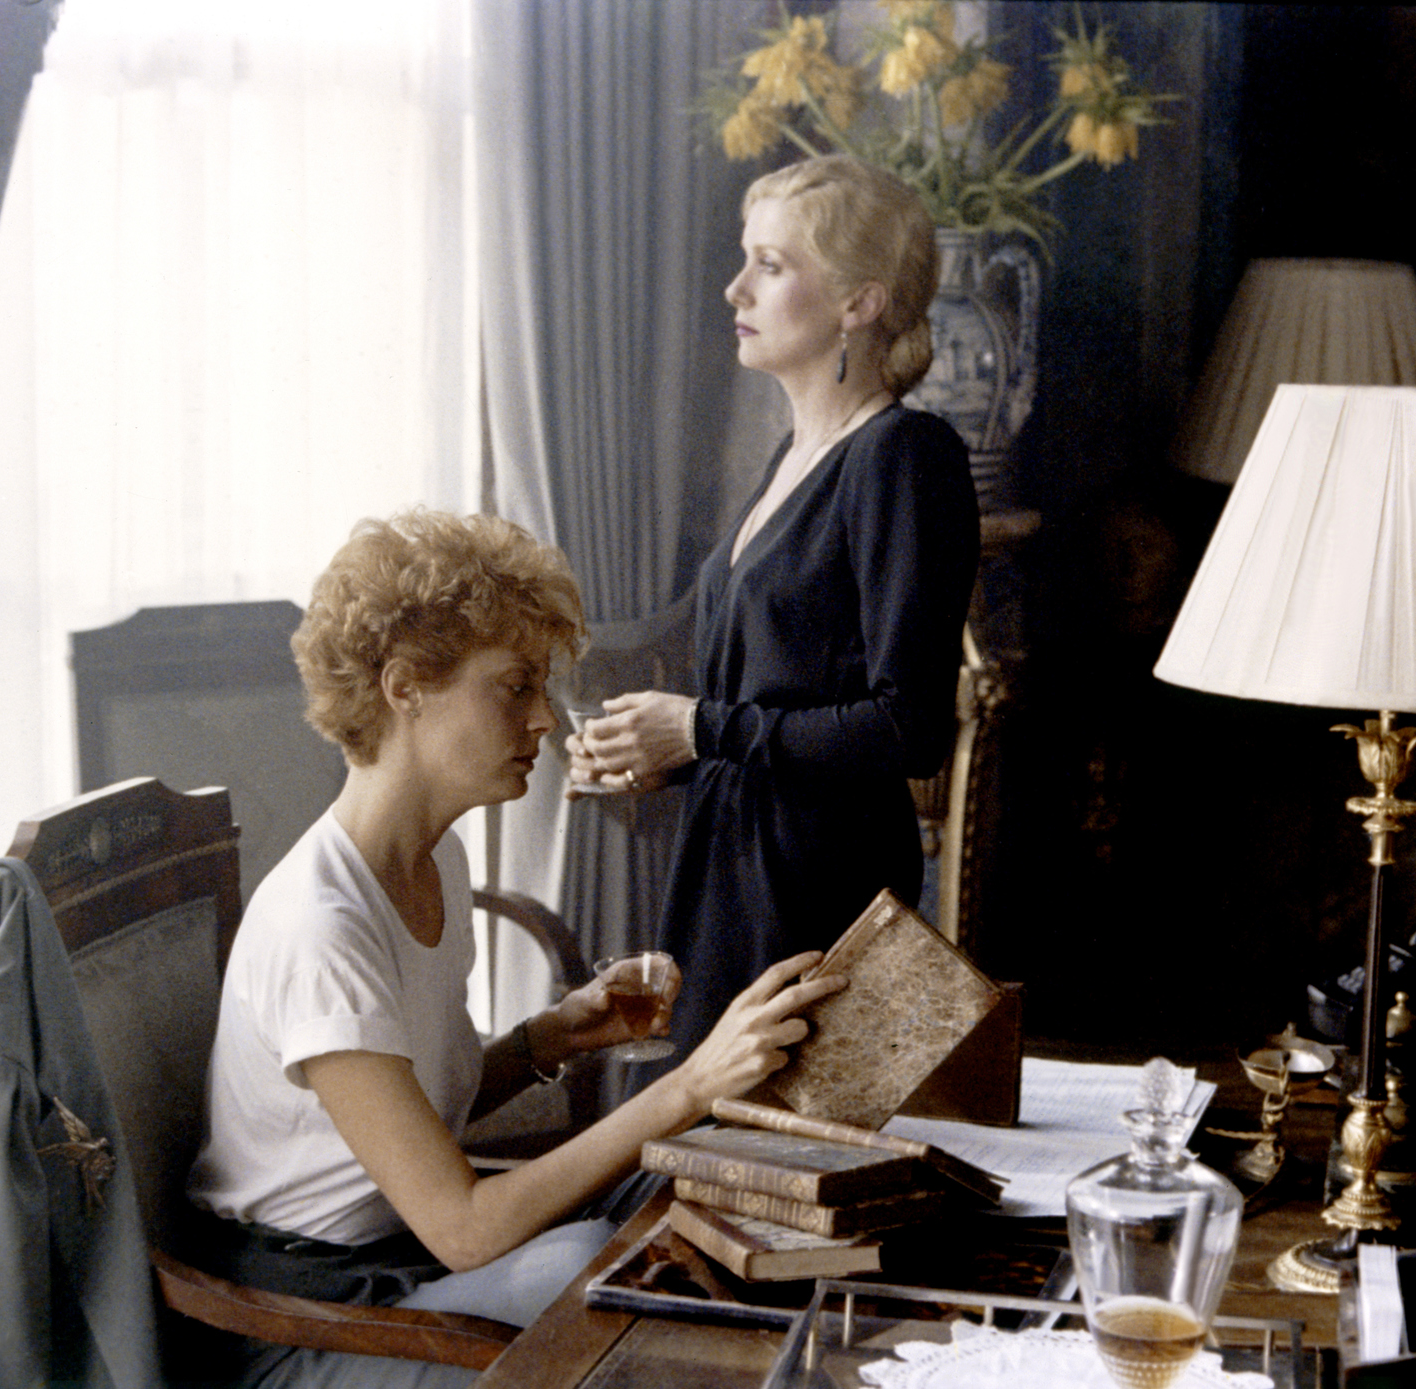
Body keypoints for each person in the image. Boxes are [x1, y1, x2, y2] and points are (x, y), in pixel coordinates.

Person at [185, 510, 845, 1389]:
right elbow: (462, 1225)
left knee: (703, 1218)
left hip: (409, 1265)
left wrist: (550, 1039)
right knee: (653, 1306)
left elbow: (408, 1117)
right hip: (310, 1327)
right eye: (515, 685)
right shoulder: (322, 925)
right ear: (405, 686)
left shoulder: (433, 859)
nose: (543, 718)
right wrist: (688, 1087)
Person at [569, 154, 979, 1058]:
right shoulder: (791, 457)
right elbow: (776, 697)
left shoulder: (904, 457)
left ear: (859, 302)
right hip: (731, 865)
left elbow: (906, 727)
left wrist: (701, 729)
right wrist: (656, 753)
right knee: (696, 1152)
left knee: (757, 1158)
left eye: (772, 264)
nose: (734, 287)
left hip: (813, 886)